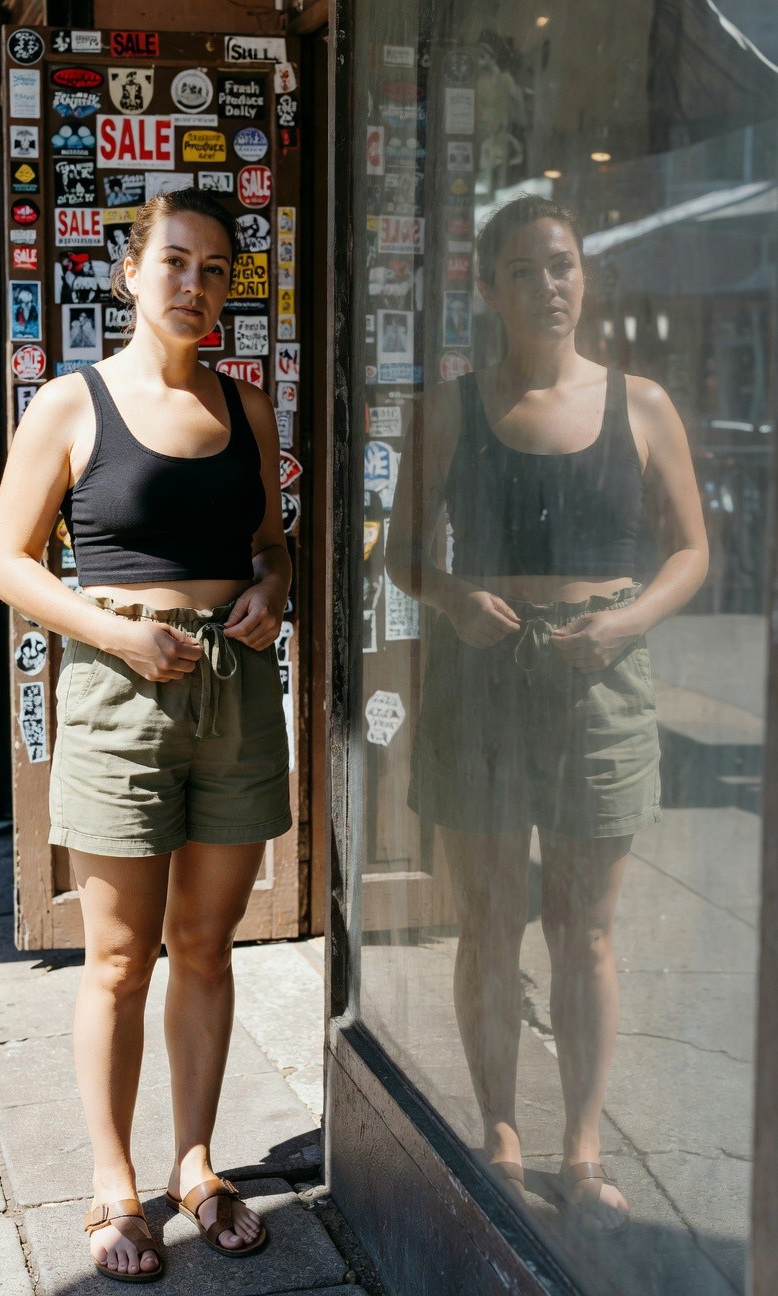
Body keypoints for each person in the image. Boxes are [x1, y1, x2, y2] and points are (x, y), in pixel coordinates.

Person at [386, 194, 707, 1234]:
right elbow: (401, 555)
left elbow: (691, 551)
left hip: (599, 680)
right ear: (489, 288)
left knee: (587, 929)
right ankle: (499, 1136)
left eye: (561, 265)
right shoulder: (448, 410)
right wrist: (450, 598)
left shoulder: (642, 406)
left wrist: (628, 622)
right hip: (480, 679)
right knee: (488, 920)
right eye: (522, 270)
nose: (547, 286)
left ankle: (583, 1149)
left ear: (586, 277)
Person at [0, 189, 291, 1280]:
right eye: (174, 261)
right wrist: (114, 633)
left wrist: (274, 589)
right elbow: (8, 561)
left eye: (215, 270)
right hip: (119, 698)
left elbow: (269, 541)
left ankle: (195, 1163)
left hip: (235, 694)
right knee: (118, 958)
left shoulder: (246, 407)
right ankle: (113, 1184)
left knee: (206, 944)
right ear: (129, 272)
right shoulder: (72, 405)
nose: (194, 285)